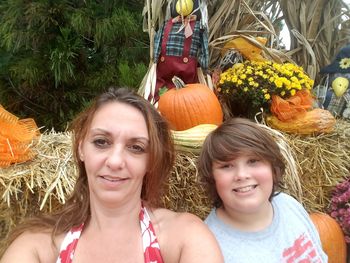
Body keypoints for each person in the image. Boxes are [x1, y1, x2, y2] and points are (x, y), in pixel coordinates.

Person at [1, 87, 224, 263]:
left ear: (151, 160)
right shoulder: (38, 245)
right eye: (101, 142)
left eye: (136, 147)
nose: (115, 161)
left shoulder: (183, 237)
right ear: (81, 149)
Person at [198, 118, 327, 263]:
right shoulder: (208, 250)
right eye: (227, 166)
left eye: (253, 161)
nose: (241, 175)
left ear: (272, 168)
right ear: (212, 177)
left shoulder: (289, 205)